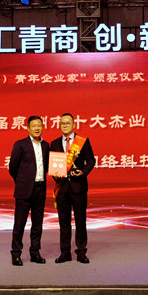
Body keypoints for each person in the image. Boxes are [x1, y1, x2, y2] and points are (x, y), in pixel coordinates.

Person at [50, 113, 96, 264]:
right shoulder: (55, 143)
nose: (65, 125)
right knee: (64, 222)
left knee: (80, 221)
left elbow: (91, 160)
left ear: (73, 125)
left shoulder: (82, 141)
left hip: (79, 186)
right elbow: (53, 164)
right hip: (62, 187)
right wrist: (55, 175)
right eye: (62, 123)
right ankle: (65, 252)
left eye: (68, 123)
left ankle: (81, 252)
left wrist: (83, 172)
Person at [8, 115, 50, 266]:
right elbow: (12, 167)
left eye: (39, 125)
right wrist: (22, 181)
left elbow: (47, 166)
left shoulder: (46, 145)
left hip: (40, 189)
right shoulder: (20, 145)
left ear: (42, 127)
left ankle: (35, 253)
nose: (37, 128)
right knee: (19, 223)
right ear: (28, 128)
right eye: (34, 126)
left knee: (37, 224)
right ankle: (16, 254)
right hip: (24, 190)